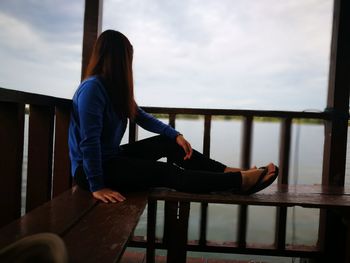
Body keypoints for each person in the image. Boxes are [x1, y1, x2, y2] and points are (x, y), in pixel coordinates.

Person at [68, 29, 278, 203]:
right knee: (165, 172)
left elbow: (140, 116)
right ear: (119, 60)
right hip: (90, 172)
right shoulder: (92, 89)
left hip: (111, 158)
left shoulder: (113, 89)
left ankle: (229, 173)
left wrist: (175, 135)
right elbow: (89, 143)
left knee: (169, 144)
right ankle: (238, 182)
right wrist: (97, 186)